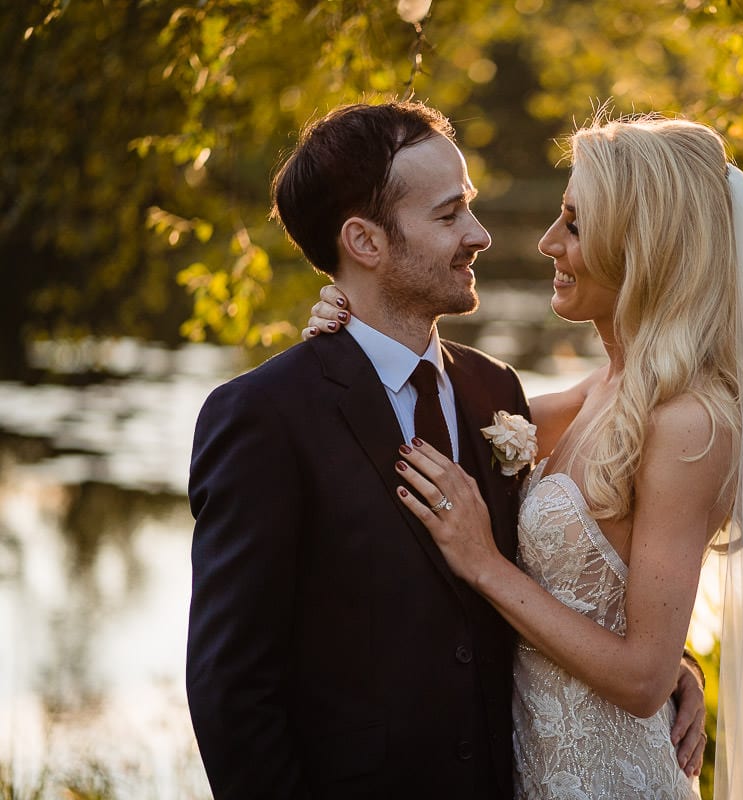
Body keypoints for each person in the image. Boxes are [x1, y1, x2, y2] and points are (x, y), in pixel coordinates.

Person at [308, 115, 743, 798]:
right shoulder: (595, 394)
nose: (548, 243)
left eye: (573, 224)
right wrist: (354, 327)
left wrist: (485, 565)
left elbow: (641, 679)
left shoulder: (690, 423)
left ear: (642, 246)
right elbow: (414, 439)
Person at [186, 101, 705, 800]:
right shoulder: (266, 417)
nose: (481, 235)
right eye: (449, 214)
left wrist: (671, 663)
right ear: (365, 243)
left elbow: (571, 560)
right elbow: (232, 690)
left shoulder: (498, 393)